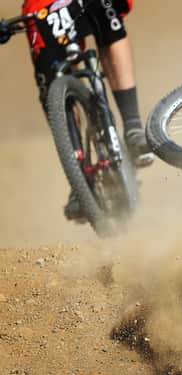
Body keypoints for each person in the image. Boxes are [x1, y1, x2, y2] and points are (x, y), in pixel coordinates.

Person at [19, 0, 153, 220]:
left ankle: (132, 127)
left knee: (110, 24)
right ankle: (78, 176)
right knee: (48, 76)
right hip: (41, 5)